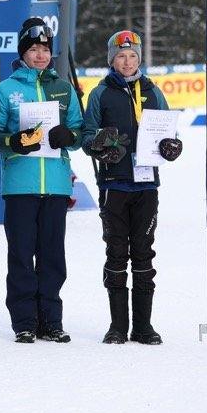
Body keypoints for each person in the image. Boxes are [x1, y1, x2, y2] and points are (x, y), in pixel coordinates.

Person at [81, 29, 182, 345]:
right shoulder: (100, 93)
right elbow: (86, 135)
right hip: (114, 185)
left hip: (146, 186)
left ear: (140, 58)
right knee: (116, 253)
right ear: (112, 60)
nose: (127, 61)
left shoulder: (153, 91)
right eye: (121, 56)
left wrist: (171, 145)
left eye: (133, 56)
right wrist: (99, 146)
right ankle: (117, 326)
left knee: (143, 252)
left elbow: (168, 130)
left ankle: (143, 327)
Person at [0, 17, 83, 343]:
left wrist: (68, 136)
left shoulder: (63, 88)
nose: (40, 55)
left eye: (45, 49)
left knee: (53, 257)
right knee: (21, 256)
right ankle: (25, 321)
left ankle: (51, 321)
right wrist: (13, 142)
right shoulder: (6, 89)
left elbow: (80, 133)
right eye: (34, 49)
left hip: (56, 185)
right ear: (23, 52)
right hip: (20, 186)